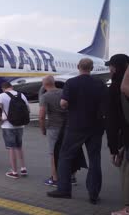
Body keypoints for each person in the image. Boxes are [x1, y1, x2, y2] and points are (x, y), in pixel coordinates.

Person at [47, 58, 106, 205]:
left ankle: (64, 190)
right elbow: (106, 104)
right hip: (96, 127)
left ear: (78, 67)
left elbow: (63, 103)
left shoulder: (71, 83)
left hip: (75, 126)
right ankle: (93, 194)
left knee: (65, 156)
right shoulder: (100, 84)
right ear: (91, 68)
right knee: (95, 159)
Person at [104, 54, 129, 215]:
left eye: (110, 66)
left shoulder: (115, 89)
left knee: (126, 172)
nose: (109, 69)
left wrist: (114, 148)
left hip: (126, 137)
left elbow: (112, 122)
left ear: (115, 67)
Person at [39, 76, 70, 186]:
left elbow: (42, 116)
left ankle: (55, 178)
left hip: (54, 128)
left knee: (53, 153)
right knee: (68, 152)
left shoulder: (45, 96)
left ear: (44, 84)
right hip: (67, 126)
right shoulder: (64, 92)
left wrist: (43, 129)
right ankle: (72, 177)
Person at [0, 82, 29, 179]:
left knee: (11, 148)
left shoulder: (2, 95)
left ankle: (14, 172)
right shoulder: (21, 95)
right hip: (20, 125)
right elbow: (28, 109)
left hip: (7, 125)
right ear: (12, 87)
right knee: (19, 147)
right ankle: (23, 168)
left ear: (3, 88)